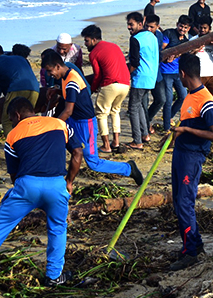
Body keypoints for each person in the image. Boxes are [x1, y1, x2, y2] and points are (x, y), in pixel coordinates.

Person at [0, 97, 83, 290]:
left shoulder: (13, 135)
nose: (12, 122)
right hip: (57, 185)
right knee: (57, 228)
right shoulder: (60, 124)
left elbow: (14, 176)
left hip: (27, 185)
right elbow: (77, 153)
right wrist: (70, 182)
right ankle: (54, 277)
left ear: (16, 115)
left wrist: (20, 195)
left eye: (11, 119)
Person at [41, 49, 143, 184]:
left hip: (84, 123)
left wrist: (52, 126)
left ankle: (128, 168)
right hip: (73, 120)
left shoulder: (72, 81)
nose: (49, 75)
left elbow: (68, 111)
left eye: (50, 71)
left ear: (58, 66)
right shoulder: (65, 76)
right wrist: (58, 91)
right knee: (58, 141)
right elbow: (71, 96)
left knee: (93, 162)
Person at [168, 53, 213, 271]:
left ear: (182, 74)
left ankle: (190, 253)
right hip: (181, 152)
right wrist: (176, 134)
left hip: (192, 156)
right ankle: (194, 245)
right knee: (179, 200)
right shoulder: (190, 95)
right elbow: (187, 123)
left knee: (184, 203)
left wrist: (186, 129)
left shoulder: (206, 100)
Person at [81, 24, 131, 153]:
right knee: (115, 111)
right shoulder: (114, 46)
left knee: (101, 113)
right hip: (125, 83)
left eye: (86, 41)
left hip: (111, 84)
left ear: (93, 39)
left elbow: (97, 75)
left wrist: (92, 89)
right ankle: (116, 141)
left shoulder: (94, 53)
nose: (85, 44)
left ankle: (106, 145)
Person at [0, 43, 40, 139]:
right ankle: (29, 144)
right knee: (26, 119)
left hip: (17, 88)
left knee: (7, 120)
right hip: (35, 88)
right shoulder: (20, 58)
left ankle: (13, 148)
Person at [127, 12, 159, 149]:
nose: (129, 27)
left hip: (140, 78)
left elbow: (134, 62)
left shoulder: (136, 39)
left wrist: (125, 74)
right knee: (140, 106)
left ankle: (137, 140)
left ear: (140, 24)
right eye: (128, 24)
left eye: (131, 24)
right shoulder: (151, 36)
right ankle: (145, 134)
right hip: (151, 76)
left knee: (133, 108)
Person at [160, 16, 191, 130]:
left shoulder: (186, 41)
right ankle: (166, 128)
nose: (182, 29)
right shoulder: (169, 33)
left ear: (189, 28)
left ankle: (168, 117)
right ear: (177, 24)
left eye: (185, 27)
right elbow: (161, 50)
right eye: (181, 26)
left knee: (183, 96)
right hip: (165, 71)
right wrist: (166, 57)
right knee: (168, 100)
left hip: (177, 72)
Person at [192, 16, 213, 105]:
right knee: (199, 101)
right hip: (199, 75)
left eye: (205, 28)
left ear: (209, 29)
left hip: (212, 74)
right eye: (201, 28)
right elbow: (189, 57)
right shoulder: (192, 40)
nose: (202, 30)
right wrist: (196, 50)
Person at [145, 15, 166, 134]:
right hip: (144, 73)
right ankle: (145, 124)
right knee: (144, 102)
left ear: (157, 27)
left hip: (156, 73)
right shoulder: (141, 36)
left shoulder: (159, 35)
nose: (149, 29)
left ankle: (147, 119)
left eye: (152, 27)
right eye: (147, 26)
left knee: (161, 99)